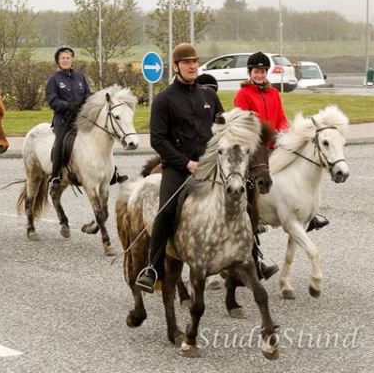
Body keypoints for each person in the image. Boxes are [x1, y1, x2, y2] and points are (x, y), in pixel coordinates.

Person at [135, 43, 224, 293]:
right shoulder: (164, 99)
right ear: (176, 67)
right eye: (186, 62)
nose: (192, 66)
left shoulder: (209, 96)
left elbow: (223, 128)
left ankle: (254, 256)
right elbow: (157, 140)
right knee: (165, 211)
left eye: (195, 61)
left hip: (210, 165)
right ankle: (152, 268)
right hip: (178, 167)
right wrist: (186, 163)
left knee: (241, 197)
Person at [234, 51, 328, 279]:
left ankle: (308, 213)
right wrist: (262, 138)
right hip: (255, 146)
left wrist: (286, 136)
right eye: (256, 71)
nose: (259, 74)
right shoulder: (243, 94)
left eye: (263, 71)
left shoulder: (274, 93)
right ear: (250, 73)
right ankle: (249, 215)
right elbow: (245, 121)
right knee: (249, 179)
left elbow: (282, 119)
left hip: (274, 143)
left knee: (300, 166)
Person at [45, 46, 128, 191]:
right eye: (63, 58)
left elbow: (87, 94)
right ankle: (56, 175)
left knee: (102, 138)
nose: (66, 60)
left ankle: (113, 171)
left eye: (68, 58)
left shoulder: (79, 77)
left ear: (72, 60)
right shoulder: (54, 80)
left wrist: (90, 100)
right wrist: (68, 105)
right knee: (60, 143)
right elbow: (52, 100)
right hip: (64, 121)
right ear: (58, 61)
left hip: (82, 118)